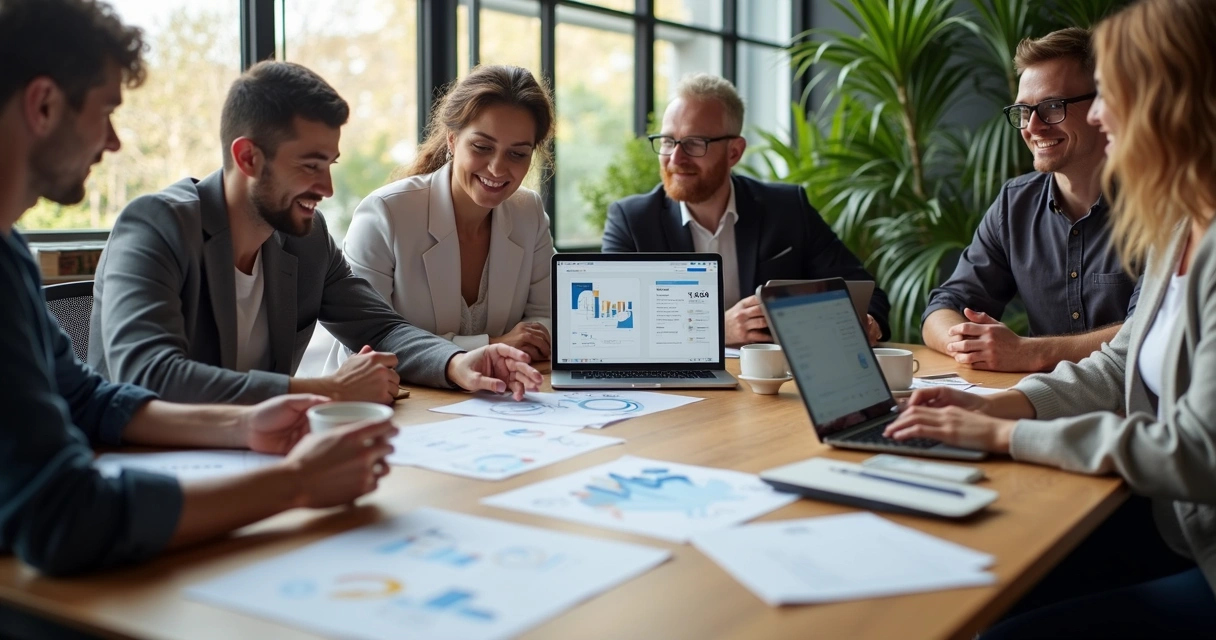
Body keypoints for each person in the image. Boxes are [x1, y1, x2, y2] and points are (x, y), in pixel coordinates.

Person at [0, 0, 397, 577]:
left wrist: (240, 424)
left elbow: (84, 398)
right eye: (106, 110)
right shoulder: (154, 222)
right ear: (43, 104)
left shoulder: (9, 251)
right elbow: (62, 515)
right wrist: (296, 483)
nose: (113, 142)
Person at [887, 0, 1216, 634]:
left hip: (1193, 545)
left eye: (1107, 96)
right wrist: (1000, 407)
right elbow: (1123, 362)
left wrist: (1008, 435)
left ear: (1172, 98)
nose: (1095, 115)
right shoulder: (1180, 225)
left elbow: (1198, 454)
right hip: (1171, 523)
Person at [88, 60, 543, 406]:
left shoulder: (306, 239)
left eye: (329, 165)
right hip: (146, 464)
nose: (326, 188)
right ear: (247, 158)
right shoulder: (155, 226)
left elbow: (381, 327)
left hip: (257, 450)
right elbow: (148, 376)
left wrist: (456, 362)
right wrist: (322, 389)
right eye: (309, 165)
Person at [601, 73, 890, 347]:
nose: (676, 157)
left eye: (694, 143)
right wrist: (714, 328)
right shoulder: (631, 220)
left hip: (776, 384)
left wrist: (868, 322)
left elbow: (865, 292)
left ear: (734, 152)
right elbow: (609, 323)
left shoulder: (788, 208)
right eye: (667, 141)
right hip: (675, 384)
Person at [921, 28, 1139, 373]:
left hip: (1134, 413)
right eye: (1024, 111)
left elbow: (1154, 331)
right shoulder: (1014, 204)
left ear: (1104, 105)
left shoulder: (1161, 203)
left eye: (1053, 107)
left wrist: (1027, 352)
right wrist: (969, 341)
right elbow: (944, 306)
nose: (1033, 127)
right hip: (1039, 407)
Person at [324, 64, 555, 374]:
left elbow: (551, 317)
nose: (498, 168)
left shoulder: (529, 213)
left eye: (518, 154)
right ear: (451, 139)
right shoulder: (384, 214)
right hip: (397, 400)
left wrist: (524, 340)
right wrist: (492, 344)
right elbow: (366, 343)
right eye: (482, 147)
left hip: (497, 400)